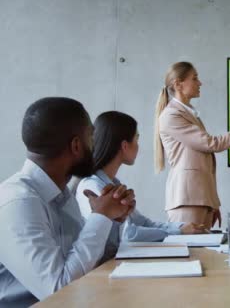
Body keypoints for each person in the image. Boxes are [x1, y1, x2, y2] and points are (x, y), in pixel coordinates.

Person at [0, 97, 135, 307]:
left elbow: (88, 266)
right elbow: (59, 291)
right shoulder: (19, 203)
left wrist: (112, 219)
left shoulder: (62, 194)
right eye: (92, 136)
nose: (96, 145)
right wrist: (100, 217)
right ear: (76, 145)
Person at [77, 111, 208, 262]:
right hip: (104, 268)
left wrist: (181, 227)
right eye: (137, 139)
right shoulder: (93, 186)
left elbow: (143, 223)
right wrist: (177, 231)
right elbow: (128, 235)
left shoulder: (114, 184)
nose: (138, 146)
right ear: (125, 146)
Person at [154, 61, 230, 228]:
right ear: (178, 84)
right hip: (187, 200)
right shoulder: (172, 116)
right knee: (192, 251)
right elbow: (210, 144)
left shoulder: (188, 114)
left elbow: (201, 162)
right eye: (195, 78)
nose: (200, 83)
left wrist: (212, 202)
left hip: (199, 200)